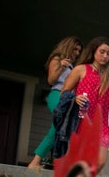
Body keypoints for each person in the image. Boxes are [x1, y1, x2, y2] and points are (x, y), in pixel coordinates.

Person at [60, 36, 109, 177]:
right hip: (81, 120)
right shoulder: (81, 69)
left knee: (100, 162)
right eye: (102, 52)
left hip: (101, 125)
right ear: (93, 51)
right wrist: (75, 98)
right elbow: (63, 93)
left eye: (108, 53)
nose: (105, 56)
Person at [28, 36, 83, 169]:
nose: (77, 53)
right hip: (56, 95)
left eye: (79, 51)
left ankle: (37, 161)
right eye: (75, 49)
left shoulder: (72, 66)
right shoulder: (57, 59)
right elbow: (51, 80)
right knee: (60, 126)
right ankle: (36, 161)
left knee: (59, 128)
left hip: (68, 98)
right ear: (68, 46)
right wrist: (61, 67)